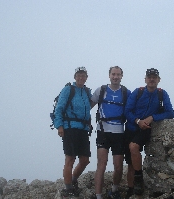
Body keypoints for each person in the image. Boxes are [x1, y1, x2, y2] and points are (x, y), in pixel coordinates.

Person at [124, 68, 174, 198]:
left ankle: (139, 179)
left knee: (133, 147)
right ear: (145, 79)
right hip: (131, 128)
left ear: (158, 80)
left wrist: (153, 117)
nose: (152, 79)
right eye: (149, 77)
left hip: (145, 129)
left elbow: (170, 113)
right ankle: (131, 190)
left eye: (154, 77)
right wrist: (137, 121)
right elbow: (127, 111)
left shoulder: (162, 94)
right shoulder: (138, 92)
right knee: (130, 162)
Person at [91, 66, 131, 199]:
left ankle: (114, 190)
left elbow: (132, 109)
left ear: (121, 76)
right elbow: (87, 106)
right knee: (101, 165)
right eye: (113, 74)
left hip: (119, 133)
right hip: (103, 131)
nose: (115, 77)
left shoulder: (126, 92)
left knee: (118, 166)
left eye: (118, 74)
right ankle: (98, 196)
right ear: (109, 75)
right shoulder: (101, 90)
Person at [54, 66, 92, 198]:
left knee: (85, 160)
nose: (81, 77)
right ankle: (68, 188)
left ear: (86, 77)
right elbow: (59, 108)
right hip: (69, 127)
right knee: (70, 158)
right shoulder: (68, 90)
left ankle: (74, 180)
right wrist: (59, 126)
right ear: (75, 77)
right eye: (79, 75)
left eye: (83, 75)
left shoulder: (87, 92)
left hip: (83, 129)